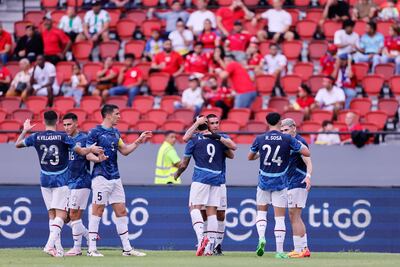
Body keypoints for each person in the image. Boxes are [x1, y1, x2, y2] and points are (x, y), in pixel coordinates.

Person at [15, 111, 104, 257]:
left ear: (44, 121)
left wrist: (25, 129)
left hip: (45, 180)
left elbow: (17, 144)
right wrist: (92, 149)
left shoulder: (36, 136)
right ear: (57, 121)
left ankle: (58, 249)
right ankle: (50, 246)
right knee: (61, 216)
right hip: (61, 181)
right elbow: (81, 151)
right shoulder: (63, 137)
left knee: (52, 215)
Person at [86, 104, 152, 257]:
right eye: (117, 113)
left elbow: (125, 151)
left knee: (121, 210)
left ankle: (127, 249)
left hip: (115, 177)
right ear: (108, 115)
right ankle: (91, 249)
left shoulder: (116, 133)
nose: (119, 116)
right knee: (98, 210)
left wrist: (138, 141)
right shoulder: (94, 132)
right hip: (100, 176)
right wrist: (98, 158)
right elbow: (88, 154)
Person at [248, 112, 310, 258]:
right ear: (279, 123)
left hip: (264, 180)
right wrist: (295, 146)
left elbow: (250, 157)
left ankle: (261, 237)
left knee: (261, 213)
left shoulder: (260, 138)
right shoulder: (287, 139)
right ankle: (279, 251)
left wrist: (261, 154)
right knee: (280, 218)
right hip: (281, 182)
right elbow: (306, 152)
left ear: (267, 122)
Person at [174, 117, 234, 256]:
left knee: (194, 207)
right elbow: (233, 150)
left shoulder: (194, 140)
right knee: (211, 211)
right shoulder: (220, 139)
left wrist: (176, 174)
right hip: (217, 179)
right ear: (208, 125)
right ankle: (209, 248)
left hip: (201, 178)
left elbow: (183, 158)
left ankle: (201, 238)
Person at [62, 113, 95, 256]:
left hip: (81, 181)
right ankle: (89, 237)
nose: (66, 127)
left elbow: (89, 155)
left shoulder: (85, 138)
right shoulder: (64, 140)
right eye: (64, 125)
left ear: (76, 124)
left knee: (74, 215)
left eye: (69, 124)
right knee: (66, 217)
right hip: (68, 182)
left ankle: (77, 247)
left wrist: (98, 158)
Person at [280, 118, 312, 258]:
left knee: (295, 216)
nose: (283, 133)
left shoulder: (299, 142)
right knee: (293, 215)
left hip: (298, 182)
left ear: (294, 127)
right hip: (290, 182)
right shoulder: (287, 142)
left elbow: (308, 161)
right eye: (281, 131)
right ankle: (301, 248)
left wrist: (308, 176)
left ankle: (300, 249)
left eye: (286, 130)